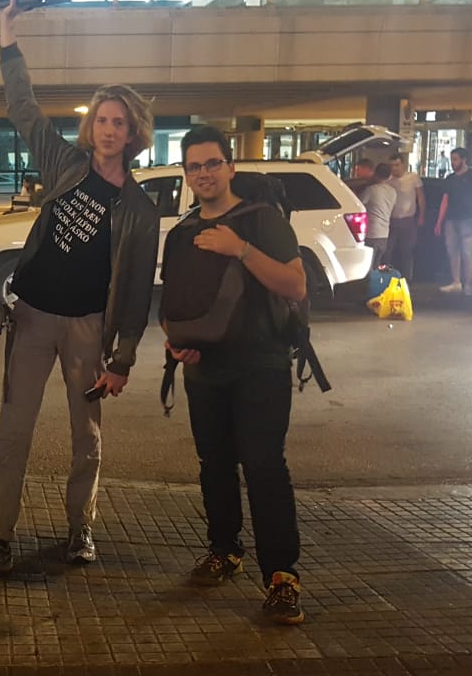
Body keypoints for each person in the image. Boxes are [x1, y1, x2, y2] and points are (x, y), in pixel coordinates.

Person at [0, 0, 160, 584]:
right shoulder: (64, 164)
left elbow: (135, 293)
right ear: (91, 127)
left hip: (87, 329)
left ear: (133, 132)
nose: (109, 130)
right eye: (102, 120)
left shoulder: (139, 208)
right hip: (32, 318)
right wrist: (7, 39)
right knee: (13, 433)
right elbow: (22, 107)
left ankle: (81, 527)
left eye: (119, 122)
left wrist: (122, 358)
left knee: (87, 437)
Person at [165, 126, 308, 626]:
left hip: (261, 364)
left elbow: (295, 284)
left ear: (230, 167)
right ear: (187, 175)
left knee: (264, 466)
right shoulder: (182, 232)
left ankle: (282, 577)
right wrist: (176, 342)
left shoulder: (262, 219)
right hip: (205, 370)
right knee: (215, 464)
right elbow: (176, 301)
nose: (203, 173)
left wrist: (240, 249)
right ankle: (224, 549)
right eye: (194, 166)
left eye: (212, 163)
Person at [434, 147, 472, 296]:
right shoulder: (450, 179)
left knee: (468, 253)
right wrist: (439, 221)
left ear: (464, 160)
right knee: (452, 251)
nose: (452, 162)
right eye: (452, 159)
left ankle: (467, 284)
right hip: (451, 220)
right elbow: (445, 200)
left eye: (455, 159)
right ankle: (456, 282)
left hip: (468, 219)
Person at [386, 153, 425, 280]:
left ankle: (407, 278)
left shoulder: (413, 178)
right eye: (392, 166)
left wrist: (421, 215)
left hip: (408, 219)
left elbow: (421, 197)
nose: (394, 168)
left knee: (406, 251)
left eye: (397, 165)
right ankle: (387, 276)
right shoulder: (388, 180)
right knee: (388, 250)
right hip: (391, 220)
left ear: (403, 165)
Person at [359, 162, 397, 270]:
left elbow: (358, 204)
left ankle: (369, 281)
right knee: (377, 266)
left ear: (375, 174)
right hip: (384, 235)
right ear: (389, 176)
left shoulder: (371, 190)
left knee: (367, 267)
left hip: (372, 234)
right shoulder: (393, 192)